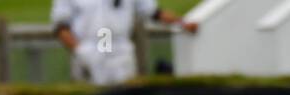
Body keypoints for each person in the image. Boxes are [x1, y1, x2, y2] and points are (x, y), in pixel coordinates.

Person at [52, 0, 198, 86]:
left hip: (120, 50)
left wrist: (182, 23)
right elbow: (60, 26)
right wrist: (80, 51)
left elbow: (153, 12)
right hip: (89, 47)